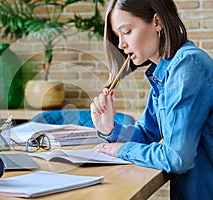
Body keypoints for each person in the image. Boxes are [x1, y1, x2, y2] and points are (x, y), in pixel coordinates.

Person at [90, 0, 213, 199]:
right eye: (117, 36)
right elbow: (147, 133)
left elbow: (177, 158)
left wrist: (121, 150)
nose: (121, 44)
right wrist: (109, 129)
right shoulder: (165, 72)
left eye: (127, 31)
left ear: (157, 22)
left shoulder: (187, 66)